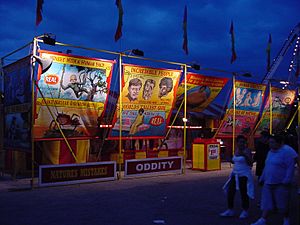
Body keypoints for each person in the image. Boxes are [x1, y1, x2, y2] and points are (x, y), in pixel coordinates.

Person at [251, 134, 298, 225]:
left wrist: (287, 180)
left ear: (279, 143)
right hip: (269, 181)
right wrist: (262, 177)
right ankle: (263, 219)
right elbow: (267, 165)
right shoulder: (270, 152)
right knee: (266, 202)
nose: (270, 144)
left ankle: (286, 219)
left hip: (281, 182)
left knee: (282, 204)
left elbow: (290, 167)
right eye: (270, 142)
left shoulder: (287, 151)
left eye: (272, 142)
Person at [220, 135, 254, 219]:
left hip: (244, 175)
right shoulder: (236, 150)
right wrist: (227, 158)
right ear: (237, 143)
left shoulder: (247, 151)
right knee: (230, 191)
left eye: (243, 142)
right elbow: (235, 161)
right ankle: (230, 209)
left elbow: (250, 163)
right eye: (240, 142)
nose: (241, 144)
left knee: (244, 193)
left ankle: (245, 210)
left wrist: (245, 155)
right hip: (235, 174)